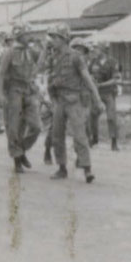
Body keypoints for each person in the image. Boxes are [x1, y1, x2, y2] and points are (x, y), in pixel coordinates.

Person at [45, 26, 102, 182]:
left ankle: (87, 170)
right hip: (59, 101)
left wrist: (97, 99)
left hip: (74, 100)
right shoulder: (53, 57)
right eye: (52, 38)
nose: (52, 41)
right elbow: (48, 76)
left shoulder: (76, 56)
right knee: (57, 135)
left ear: (64, 39)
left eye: (55, 37)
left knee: (80, 135)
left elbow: (87, 78)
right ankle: (62, 168)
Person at [0, 23, 43, 173]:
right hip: (14, 91)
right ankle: (17, 160)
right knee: (14, 127)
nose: (30, 37)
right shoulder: (9, 52)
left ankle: (21, 149)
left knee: (36, 126)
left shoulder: (30, 52)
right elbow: (1, 74)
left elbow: (40, 64)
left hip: (28, 90)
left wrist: (43, 46)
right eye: (27, 35)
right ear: (20, 36)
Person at [88, 41, 122, 150]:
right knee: (92, 116)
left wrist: (101, 84)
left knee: (111, 117)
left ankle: (114, 141)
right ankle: (94, 138)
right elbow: (88, 74)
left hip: (108, 92)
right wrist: (91, 80)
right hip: (96, 93)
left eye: (96, 49)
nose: (94, 51)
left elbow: (115, 79)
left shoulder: (112, 62)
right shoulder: (93, 62)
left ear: (103, 50)